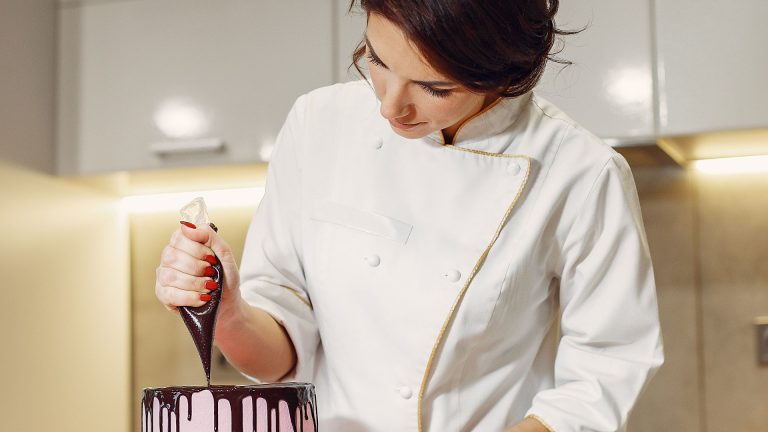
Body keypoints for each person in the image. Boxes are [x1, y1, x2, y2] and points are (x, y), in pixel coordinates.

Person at [155, 1, 664, 431]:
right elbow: (283, 350)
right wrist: (228, 315)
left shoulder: (580, 171)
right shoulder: (319, 124)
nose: (390, 107)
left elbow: (608, 363)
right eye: (376, 60)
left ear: (505, 74)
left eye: (435, 88)